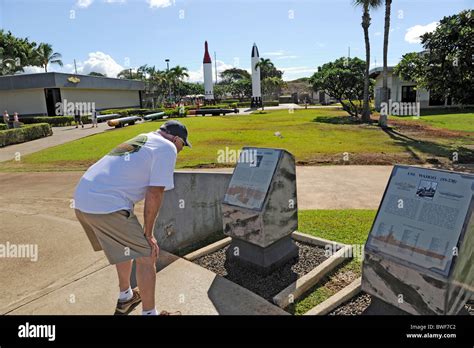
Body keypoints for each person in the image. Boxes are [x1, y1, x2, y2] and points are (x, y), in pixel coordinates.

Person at [74, 120, 191, 315]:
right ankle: (149, 313)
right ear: (176, 139)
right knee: (147, 255)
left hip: (83, 200)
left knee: (125, 250)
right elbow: (155, 193)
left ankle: (126, 296)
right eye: (183, 146)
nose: (181, 150)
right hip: (106, 204)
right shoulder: (167, 147)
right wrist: (148, 234)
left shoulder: (145, 139)